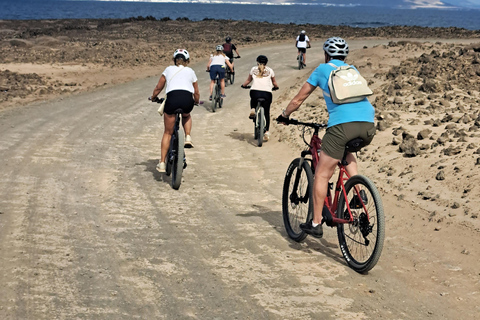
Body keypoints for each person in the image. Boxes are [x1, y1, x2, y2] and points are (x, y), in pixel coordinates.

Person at [277, 37, 376, 238]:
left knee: (322, 174)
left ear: (326, 54)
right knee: (346, 152)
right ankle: (358, 190)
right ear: (345, 56)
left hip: (342, 126)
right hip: (367, 125)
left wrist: (285, 116)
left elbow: (299, 99)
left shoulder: (322, 69)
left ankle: (315, 223)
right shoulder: (352, 70)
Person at [150, 49, 200, 173]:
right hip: (186, 100)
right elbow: (196, 91)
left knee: (168, 132)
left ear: (174, 60)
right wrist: (196, 101)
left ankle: (162, 163)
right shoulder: (191, 71)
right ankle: (188, 136)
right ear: (187, 61)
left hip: (172, 100)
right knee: (186, 115)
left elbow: (159, 87)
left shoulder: (168, 70)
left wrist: (154, 97)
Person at [241, 55, 279, 141]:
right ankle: (266, 132)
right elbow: (274, 82)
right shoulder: (270, 70)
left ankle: (253, 109)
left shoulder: (253, 69)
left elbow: (248, 80)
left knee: (253, 99)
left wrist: (243, 85)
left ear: (257, 62)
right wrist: (276, 87)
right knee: (266, 112)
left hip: (255, 92)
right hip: (267, 93)